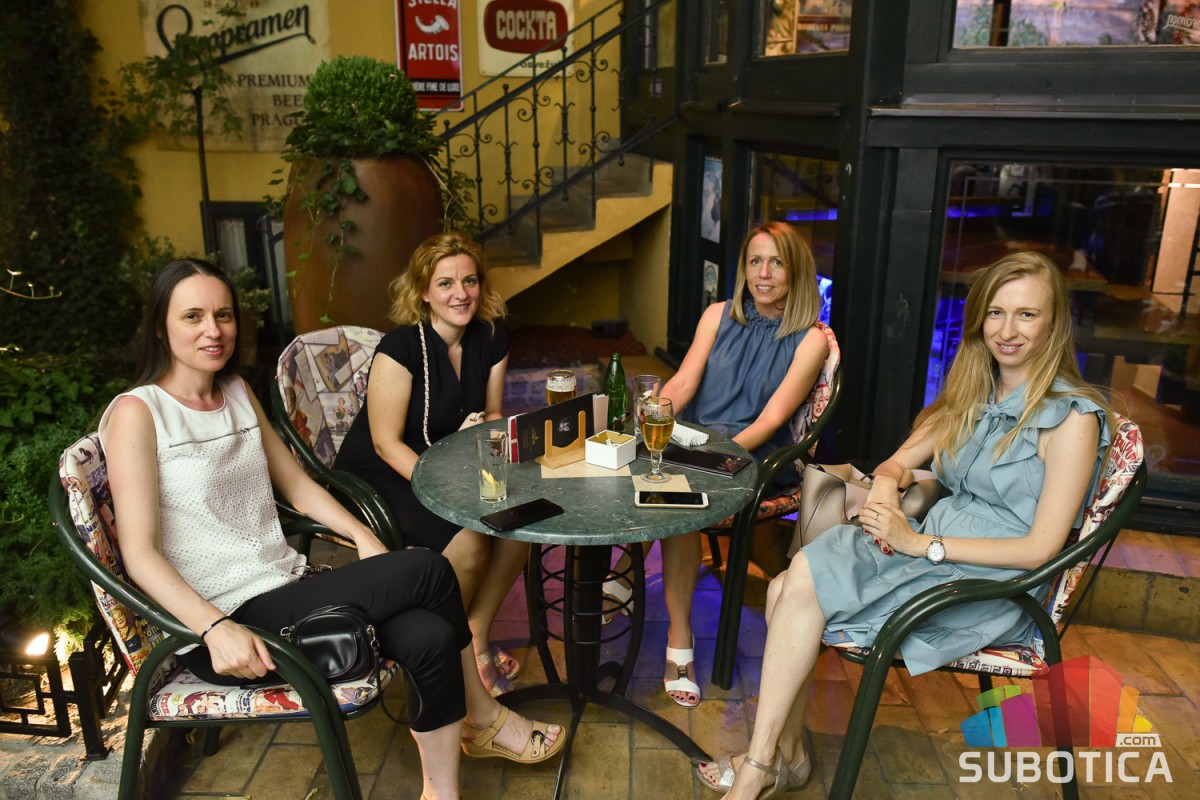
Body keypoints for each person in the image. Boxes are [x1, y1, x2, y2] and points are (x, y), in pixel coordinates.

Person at [101, 259, 563, 800]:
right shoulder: (138, 412)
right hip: (225, 624)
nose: (213, 330)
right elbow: (139, 554)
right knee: (428, 568)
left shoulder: (236, 392)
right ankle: (482, 716)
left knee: (431, 635)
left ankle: (441, 793)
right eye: (193, 316)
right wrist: (213, 628)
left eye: (223, 315)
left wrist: (363, 537)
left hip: (285, 587)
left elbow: (298, 487)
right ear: (161, 327)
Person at [698, 251, 1114, 798]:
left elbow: (1040, 548)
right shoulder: (974, 394)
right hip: (927, 546)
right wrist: (887, 489)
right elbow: (896, 463)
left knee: (790, 591)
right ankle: (782, 757)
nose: (1007, 331)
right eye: (995, 313)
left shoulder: (1073, 418)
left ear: (1054, 323)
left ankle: (763, 765)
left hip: (992, 581)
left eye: (1027, 315)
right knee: (786, 587)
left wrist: (919, 542)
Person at [607, 221, 830, 708]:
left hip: (755, 455)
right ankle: (625, 571)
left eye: (777, 263)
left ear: (796, 271)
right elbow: (684, 383)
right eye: (755, 262)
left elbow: (771, 419)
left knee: (676, 497)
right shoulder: (717, 315)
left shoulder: (812, 340)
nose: (763, 274)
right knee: (627, 460)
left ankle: (678, 639)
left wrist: (711, 458)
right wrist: (654, 416)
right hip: (695, 438)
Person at [335, 233, 528, 695]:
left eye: (469, 281)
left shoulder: (491, 338)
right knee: (471, 539)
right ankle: (438, 655)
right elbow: (385, 444)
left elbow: (493, 413)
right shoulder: (401, 347)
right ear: (423, 291)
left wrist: (485, 437)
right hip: (382, 476)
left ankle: (474, 636)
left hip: (450, 465)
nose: (460, 294)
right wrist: (447, 489)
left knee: (521, 523)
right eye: (445, 284)